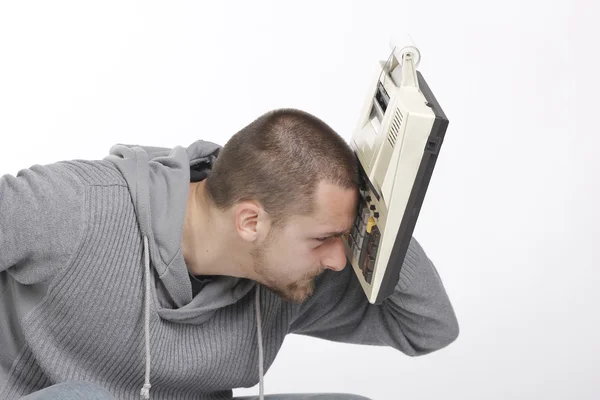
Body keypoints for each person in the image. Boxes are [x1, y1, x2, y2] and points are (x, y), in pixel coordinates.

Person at [0, 108, 459, 400]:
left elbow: (427, 327)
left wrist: (380, 205)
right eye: (324, 238)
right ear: (250, 222)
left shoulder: (287, 275)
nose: (339, 260)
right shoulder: (78, 205)